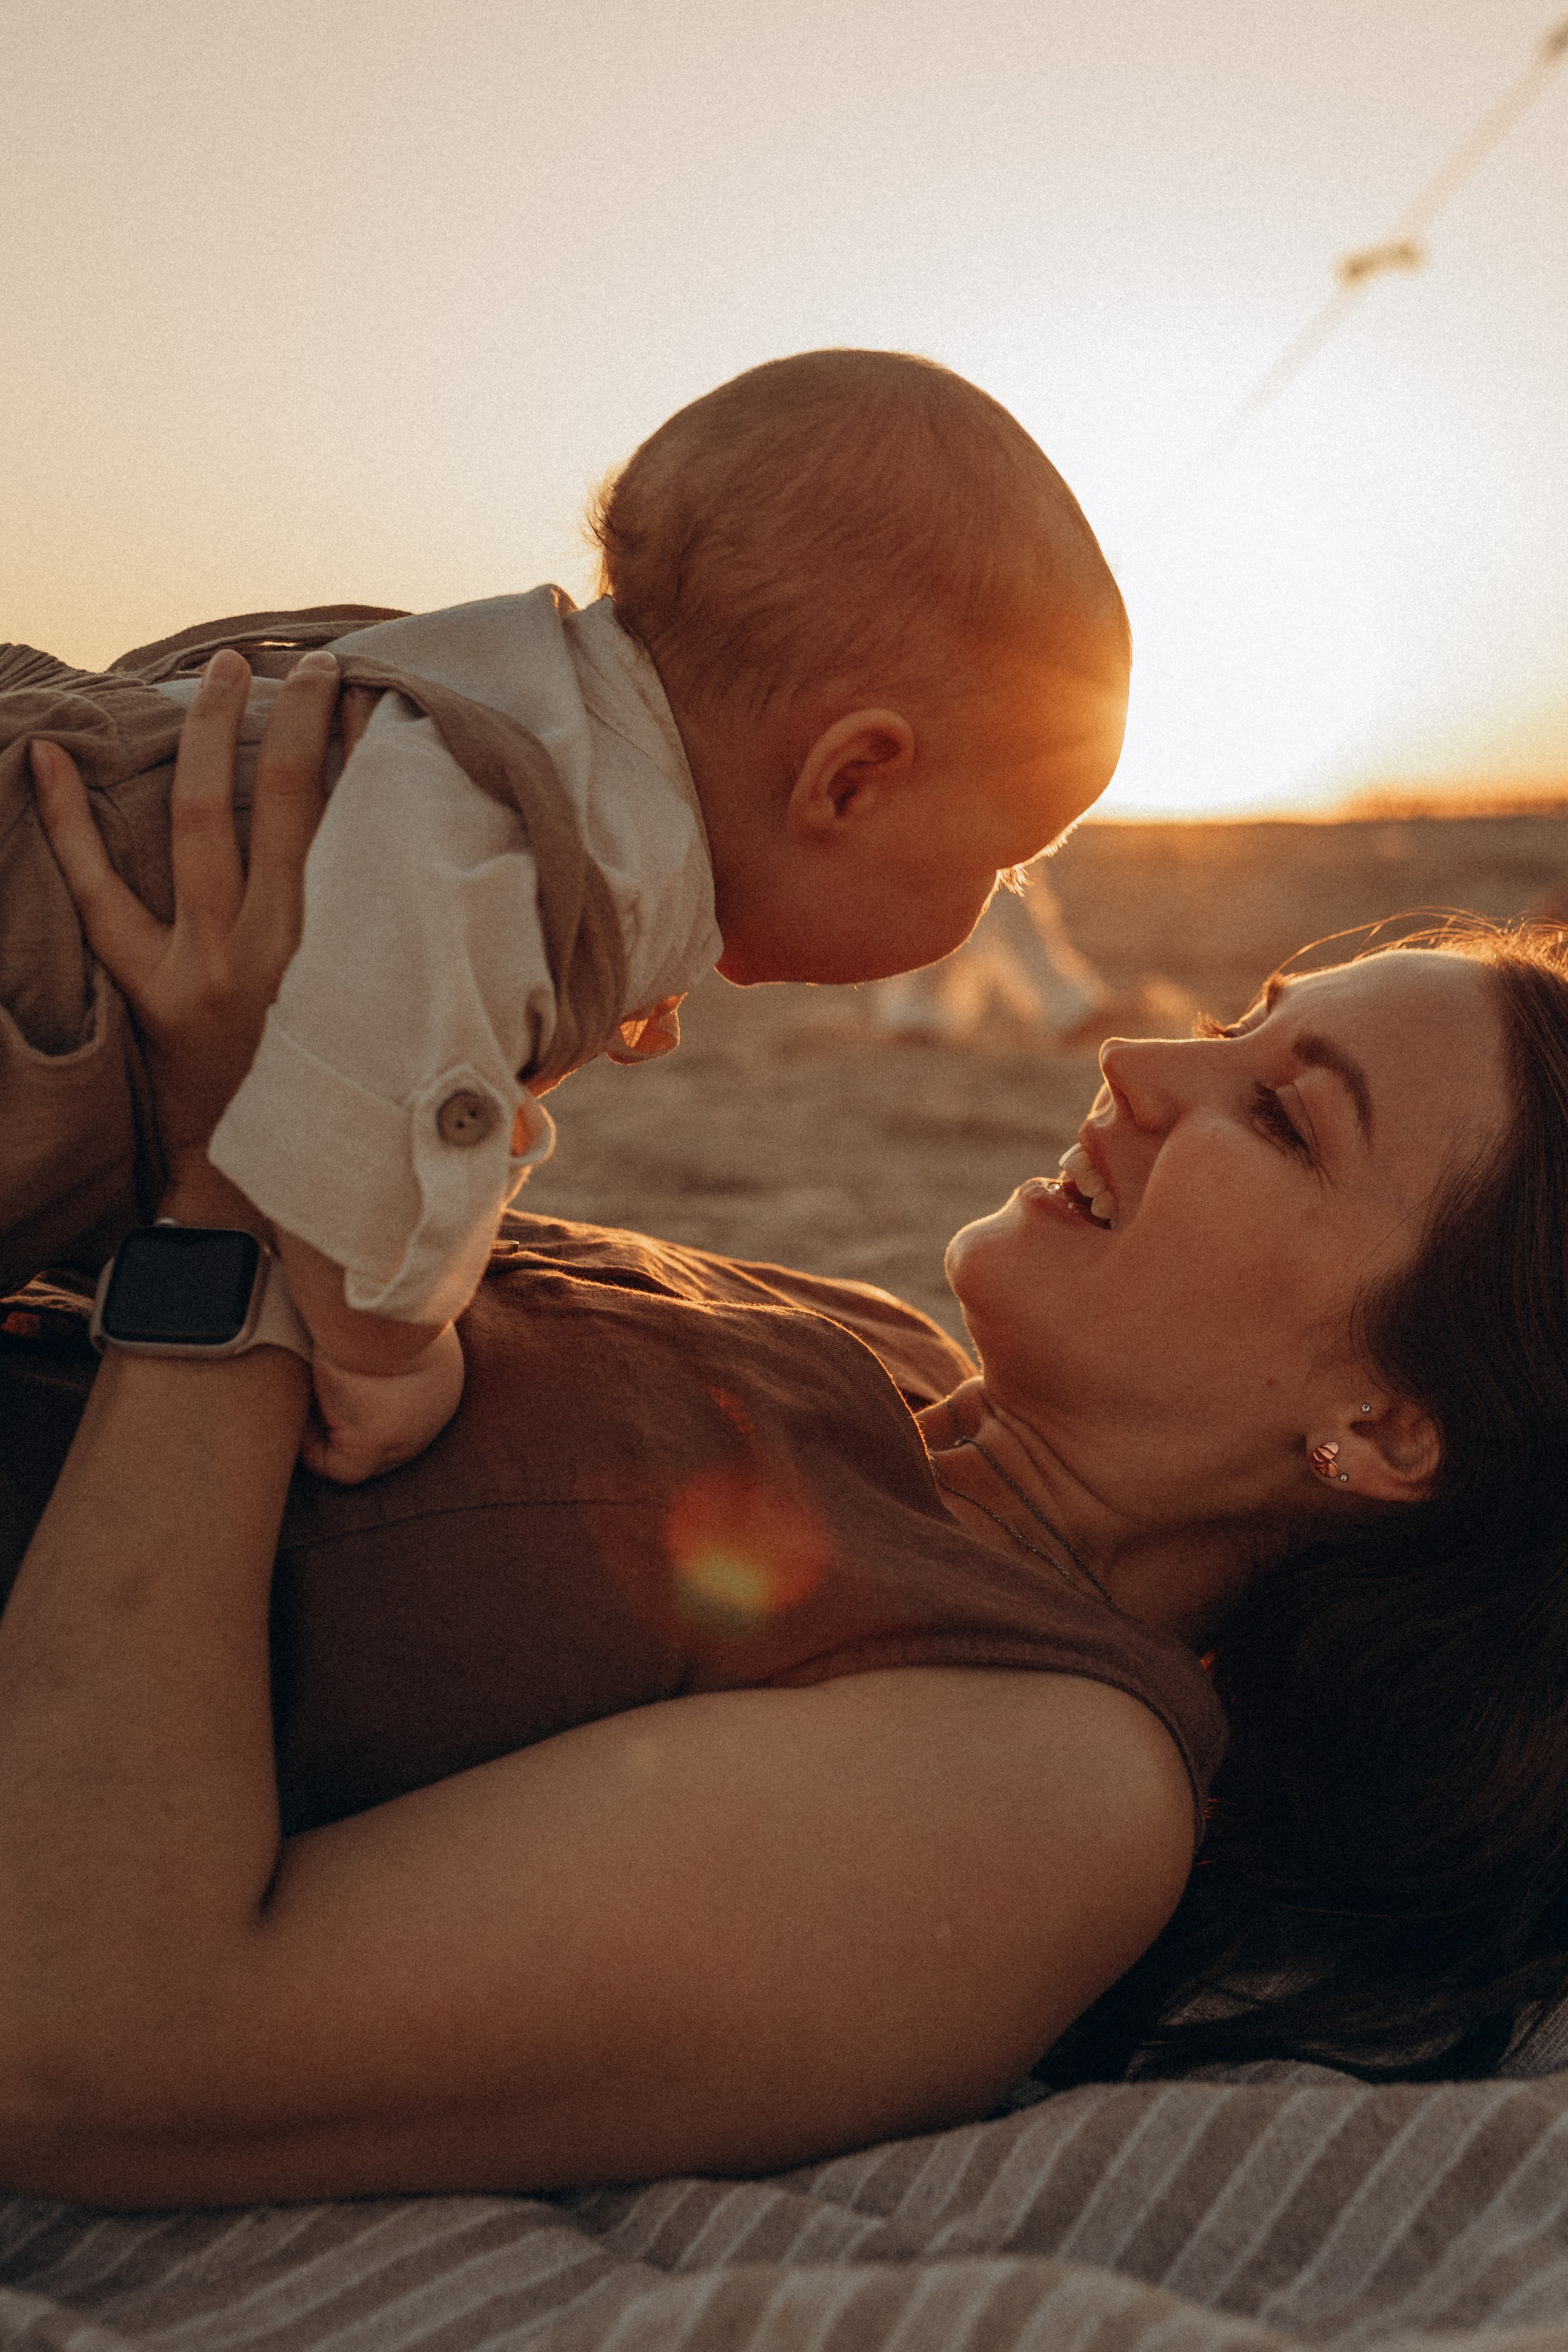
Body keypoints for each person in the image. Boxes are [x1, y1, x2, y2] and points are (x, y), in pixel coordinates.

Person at [4, 659, 1567, 2214]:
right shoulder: (870, 1351)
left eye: (1286, 1119)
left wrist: (243, 1170)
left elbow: (95, 2044)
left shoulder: (1057, 1794)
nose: (1142, 1064)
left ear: (1384, 1427)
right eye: (1238, 1022)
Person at [0, 349, 1131, 1485]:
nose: (994, 901)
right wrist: (392, 1359)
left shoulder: (494, 705)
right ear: (847, 782)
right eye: (1007, 866)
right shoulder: (541, 845)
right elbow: (367, 1120)